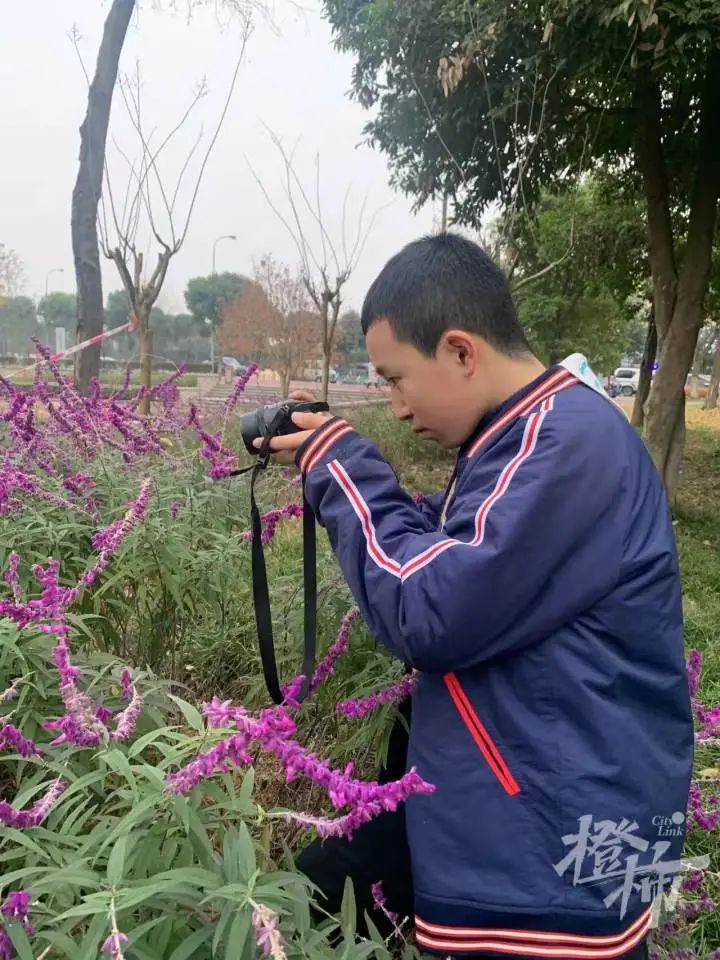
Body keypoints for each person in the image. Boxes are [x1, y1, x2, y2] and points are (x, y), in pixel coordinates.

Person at [259, 234, 693, 959]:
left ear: (460, 351)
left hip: (545, 866)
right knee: (305, 902)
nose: (395, 407)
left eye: (397, 378)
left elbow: (430, 608)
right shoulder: (528, 433)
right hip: (529, 812)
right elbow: (480, 558)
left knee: (305, 907)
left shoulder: (562, 443)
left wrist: (342, 468)